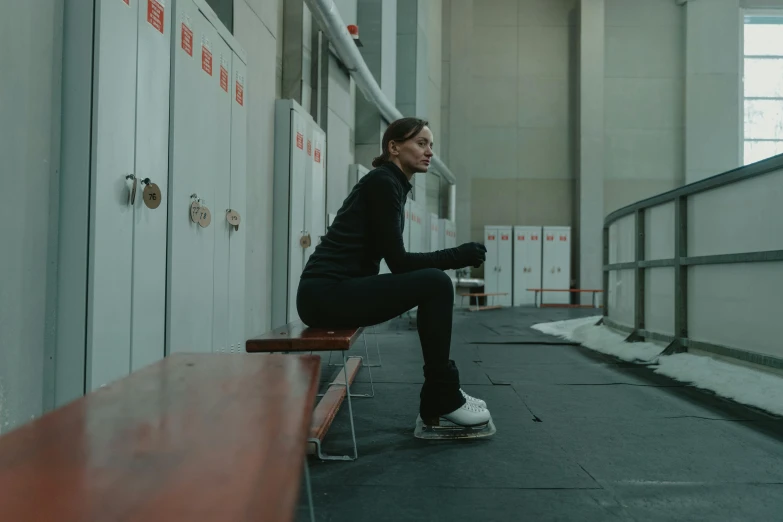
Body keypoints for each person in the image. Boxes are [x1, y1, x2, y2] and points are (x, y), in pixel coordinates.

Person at [297, 117, 492, 429]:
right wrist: (458, 255)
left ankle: (439, 394)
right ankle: (442, 394)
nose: (429, 152)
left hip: (336, 291)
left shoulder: (391, 183)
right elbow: (399, 263)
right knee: (437, 284)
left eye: (431, 145)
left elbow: (394, 262)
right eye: (421, 143)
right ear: (394, 147)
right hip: (326, 294)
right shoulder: (383, 183)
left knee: (434, 283)